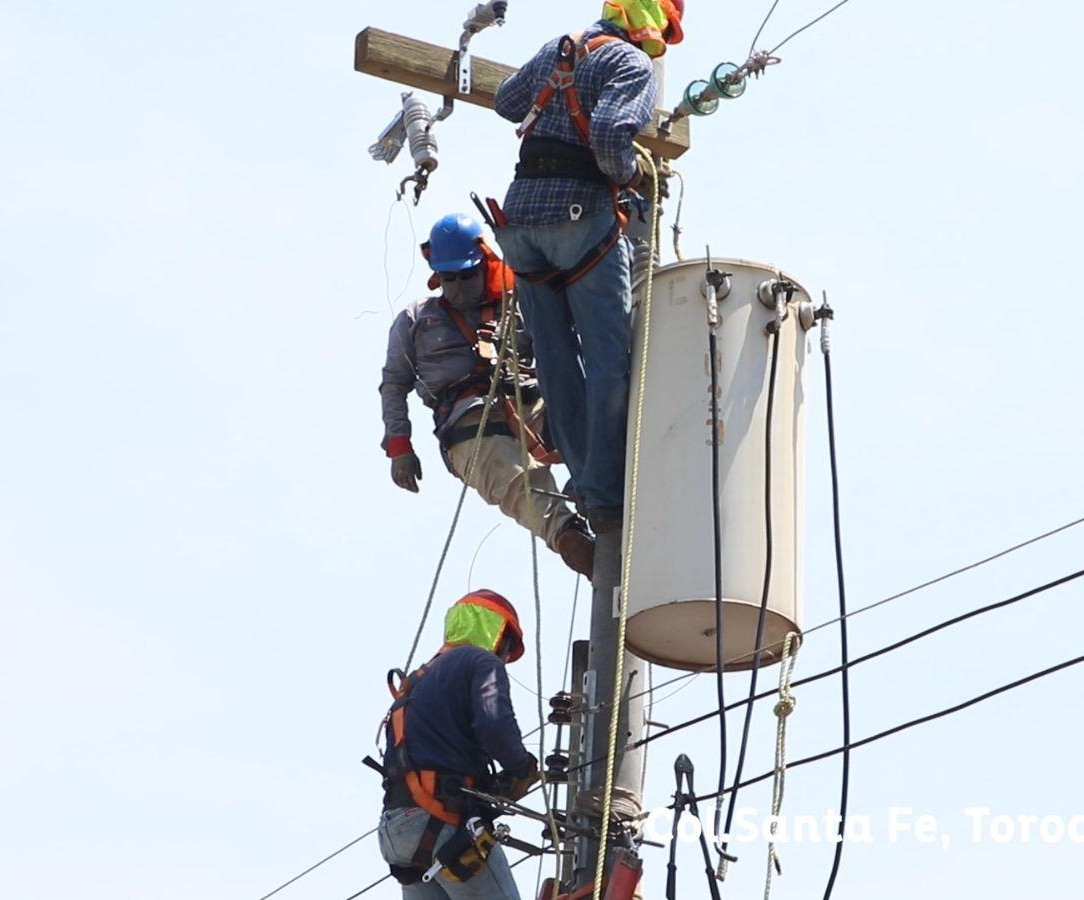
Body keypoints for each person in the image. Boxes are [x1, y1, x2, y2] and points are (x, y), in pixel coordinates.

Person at [492, 0, 684, 534]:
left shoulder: (563, 48)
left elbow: (507, 102)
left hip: (522, 221)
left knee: (555, 360)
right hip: (579, 218)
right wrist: (629, 178)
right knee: (609, 362)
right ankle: (607, 488)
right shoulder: (631, 64)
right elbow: (607, 134)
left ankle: (588, 482)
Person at [380, 213, 594, 577]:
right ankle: (579, 547)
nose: (459, 285)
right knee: (525, 493)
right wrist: (400, 447)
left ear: (484, 264)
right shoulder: (416, 318)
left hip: (534, 404)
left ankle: (598, 496)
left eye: (467, 275)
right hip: (470, 425)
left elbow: (562, 345)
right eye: (450, 278)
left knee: (595, 440)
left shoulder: (520, 304)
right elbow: (394, 384)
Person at [375, 590, 539, 898]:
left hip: (398, 831)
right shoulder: (481, 661)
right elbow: (494, 724)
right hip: (442, 823)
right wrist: (522, 767)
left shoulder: (417, 681)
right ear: (498, 635)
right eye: (506, 648)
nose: (504, 657)